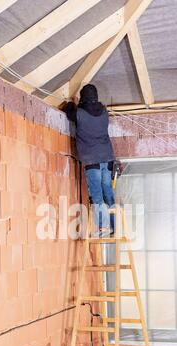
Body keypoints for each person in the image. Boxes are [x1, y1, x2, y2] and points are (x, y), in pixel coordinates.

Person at [63, 84, 115, 237]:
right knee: (108, 194)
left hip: (92, 161)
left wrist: (73, 101)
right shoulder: (104, 112)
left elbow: (68, 109)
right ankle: (113, 227)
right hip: (108, 158)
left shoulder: (79, 113)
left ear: (83, 97)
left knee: (97, 196)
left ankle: (103, 229)